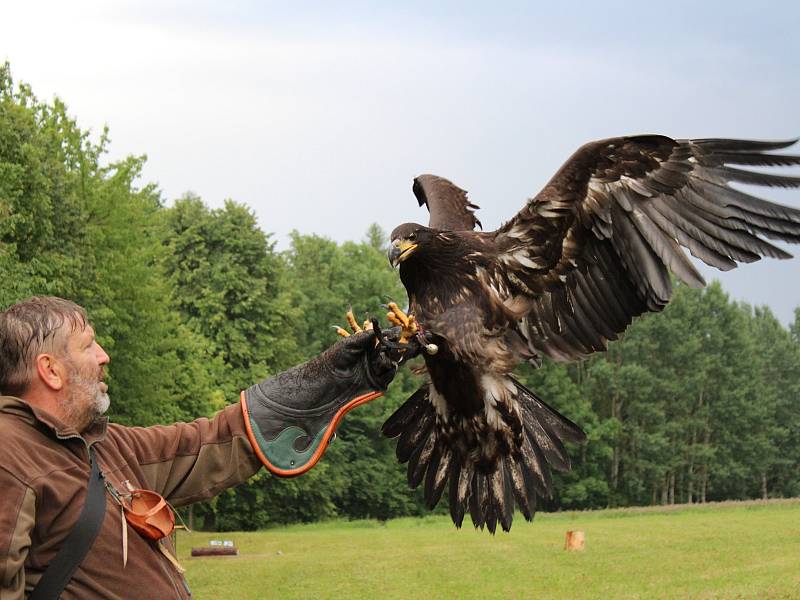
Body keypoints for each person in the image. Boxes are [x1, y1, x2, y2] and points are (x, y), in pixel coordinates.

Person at [0, 296, 407, 599]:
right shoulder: (10, 453)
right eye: (89, 346)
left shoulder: (103, 446)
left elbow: (210, 442)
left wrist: (328, 379)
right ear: (50, 370)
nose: (104, 357)